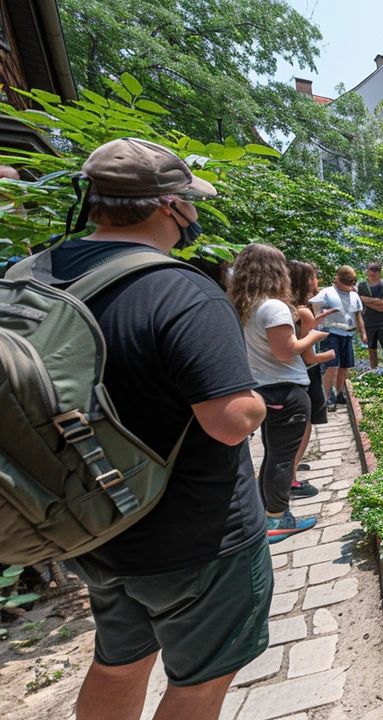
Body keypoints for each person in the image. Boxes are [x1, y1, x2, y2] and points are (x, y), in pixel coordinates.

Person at [48, 138, 269, 720]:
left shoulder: (32, 277)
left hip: (87, 522)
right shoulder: (178, 289)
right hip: (191, 538)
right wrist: (257, 405)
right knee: (197, 682)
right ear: (168, 206)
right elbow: (228, 422)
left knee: (117, 663)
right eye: (190, 203)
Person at [228, 244, 327, 539]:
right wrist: (312, 336)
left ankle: (269, 513)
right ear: (275, 271)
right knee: (283, 458)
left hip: (261, 389)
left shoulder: (244, 304)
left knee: (272, 454)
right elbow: (286, 352)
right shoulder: (274, 307)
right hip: (284, 391)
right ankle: (278, 518)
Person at [288, 260, 336, 491]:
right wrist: (327, 355)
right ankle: (291, 477)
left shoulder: (290, 308)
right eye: (313, 277)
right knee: (303, 425)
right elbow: (308, 356)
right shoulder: (302, 311)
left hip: (293, 375)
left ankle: (291, 468)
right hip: (304, 374)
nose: (316, 282)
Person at [309, 265, 365, 406]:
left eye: (352, 283)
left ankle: (340, 393)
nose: (349, 286)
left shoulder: (354, 295)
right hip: (331, 333)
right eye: (347, 283)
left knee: (344, 365)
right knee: (331, 365)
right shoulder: (327, 292)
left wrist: (363, 333)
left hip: (347, 333)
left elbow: (358, 316)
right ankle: (326, 397)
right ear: (337, 279)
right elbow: (313, 305)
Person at [357, 261, 383, 370]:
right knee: (371, 347)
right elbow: (359, 300)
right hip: (368, 321)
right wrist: (376, 301)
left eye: (375, 271)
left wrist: (366, 300)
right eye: (370, 270)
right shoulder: (362, 286)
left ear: (380, 272)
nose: (372, 274)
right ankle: (372, 369)